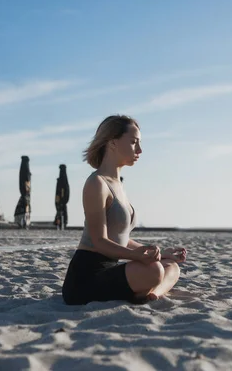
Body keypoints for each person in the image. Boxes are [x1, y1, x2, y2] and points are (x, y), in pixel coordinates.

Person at [62, 115, 187, 305]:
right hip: (86, 277)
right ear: (112, 143)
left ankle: (151, 294)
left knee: (171, 266)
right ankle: (143, 291)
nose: (140, 150)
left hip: (110, 268)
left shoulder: (118, 184)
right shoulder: (97, 183)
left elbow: (120, 237)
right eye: (133, 142)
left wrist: (161, 253)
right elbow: (99, 240)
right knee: (154, 270)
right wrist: (136, 256)